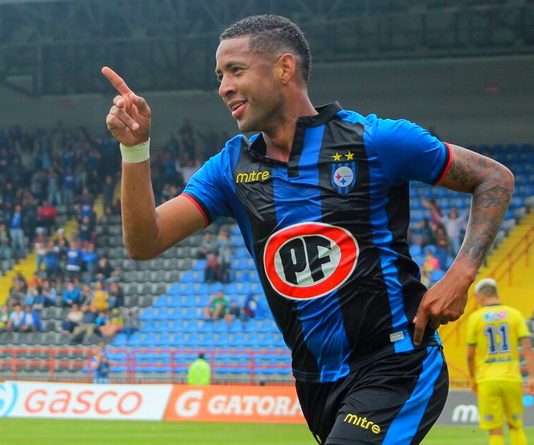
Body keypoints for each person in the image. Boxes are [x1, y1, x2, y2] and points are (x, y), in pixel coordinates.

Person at [102, 14, 514, 444]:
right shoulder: (230, 168)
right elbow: (145, 242)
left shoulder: (375, 140)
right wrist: (135, 149)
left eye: (236, 70)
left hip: (396, 362)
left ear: (284, 68)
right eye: (220, 76)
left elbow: (493, 178)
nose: (223, 87)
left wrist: (461, 273)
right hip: (315, 381)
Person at [467, 278, 534, 445]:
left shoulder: (475, 318)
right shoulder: (514, 314)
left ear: (480, 296)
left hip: (487, 379)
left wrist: (473, 378)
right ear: (497, 293)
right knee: (515, 426)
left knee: (495, 431)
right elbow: (527, 349)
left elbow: (470, 355)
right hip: (512, 378)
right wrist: (532, 376)